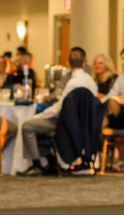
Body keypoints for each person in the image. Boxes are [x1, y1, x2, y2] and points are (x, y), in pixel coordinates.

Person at [17, 47, 95, 175]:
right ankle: (49, 160)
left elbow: (60, 108)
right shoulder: (91, 82)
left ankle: (37, 164)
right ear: (84, 63)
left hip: (66, 124)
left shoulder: (72, 83)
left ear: (68, 64)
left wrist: (40, 115)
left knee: (28, 126)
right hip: (84, 125)